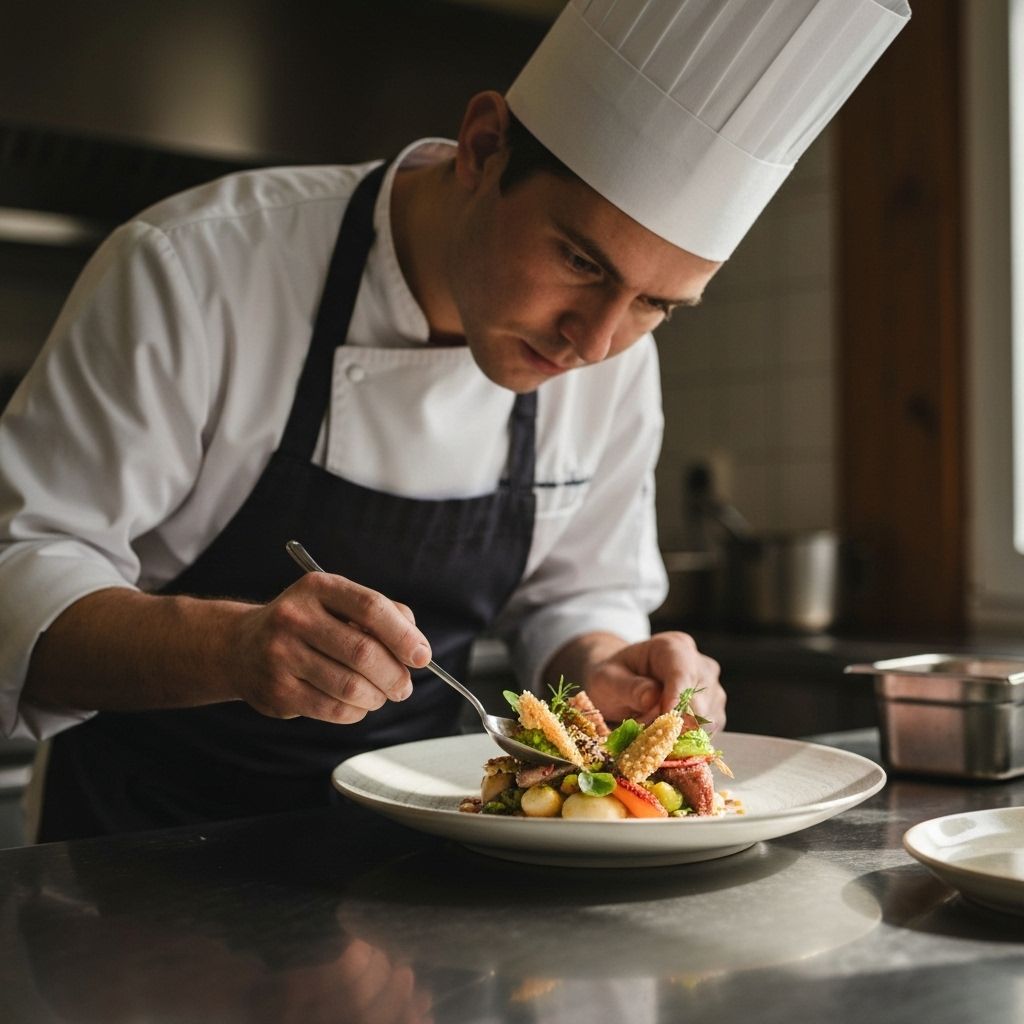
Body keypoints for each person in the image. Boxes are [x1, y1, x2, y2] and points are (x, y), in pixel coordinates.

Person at [0, 0, 910, 841]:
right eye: (580, 260)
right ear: (483, 146)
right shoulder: (193, 272)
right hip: (142, 868)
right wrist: (236, 649)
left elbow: (577, 593)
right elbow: (21, 571)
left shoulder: (613, 352)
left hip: (430, 866)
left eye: (658, 306)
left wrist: (606, 663)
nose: (595, 342)